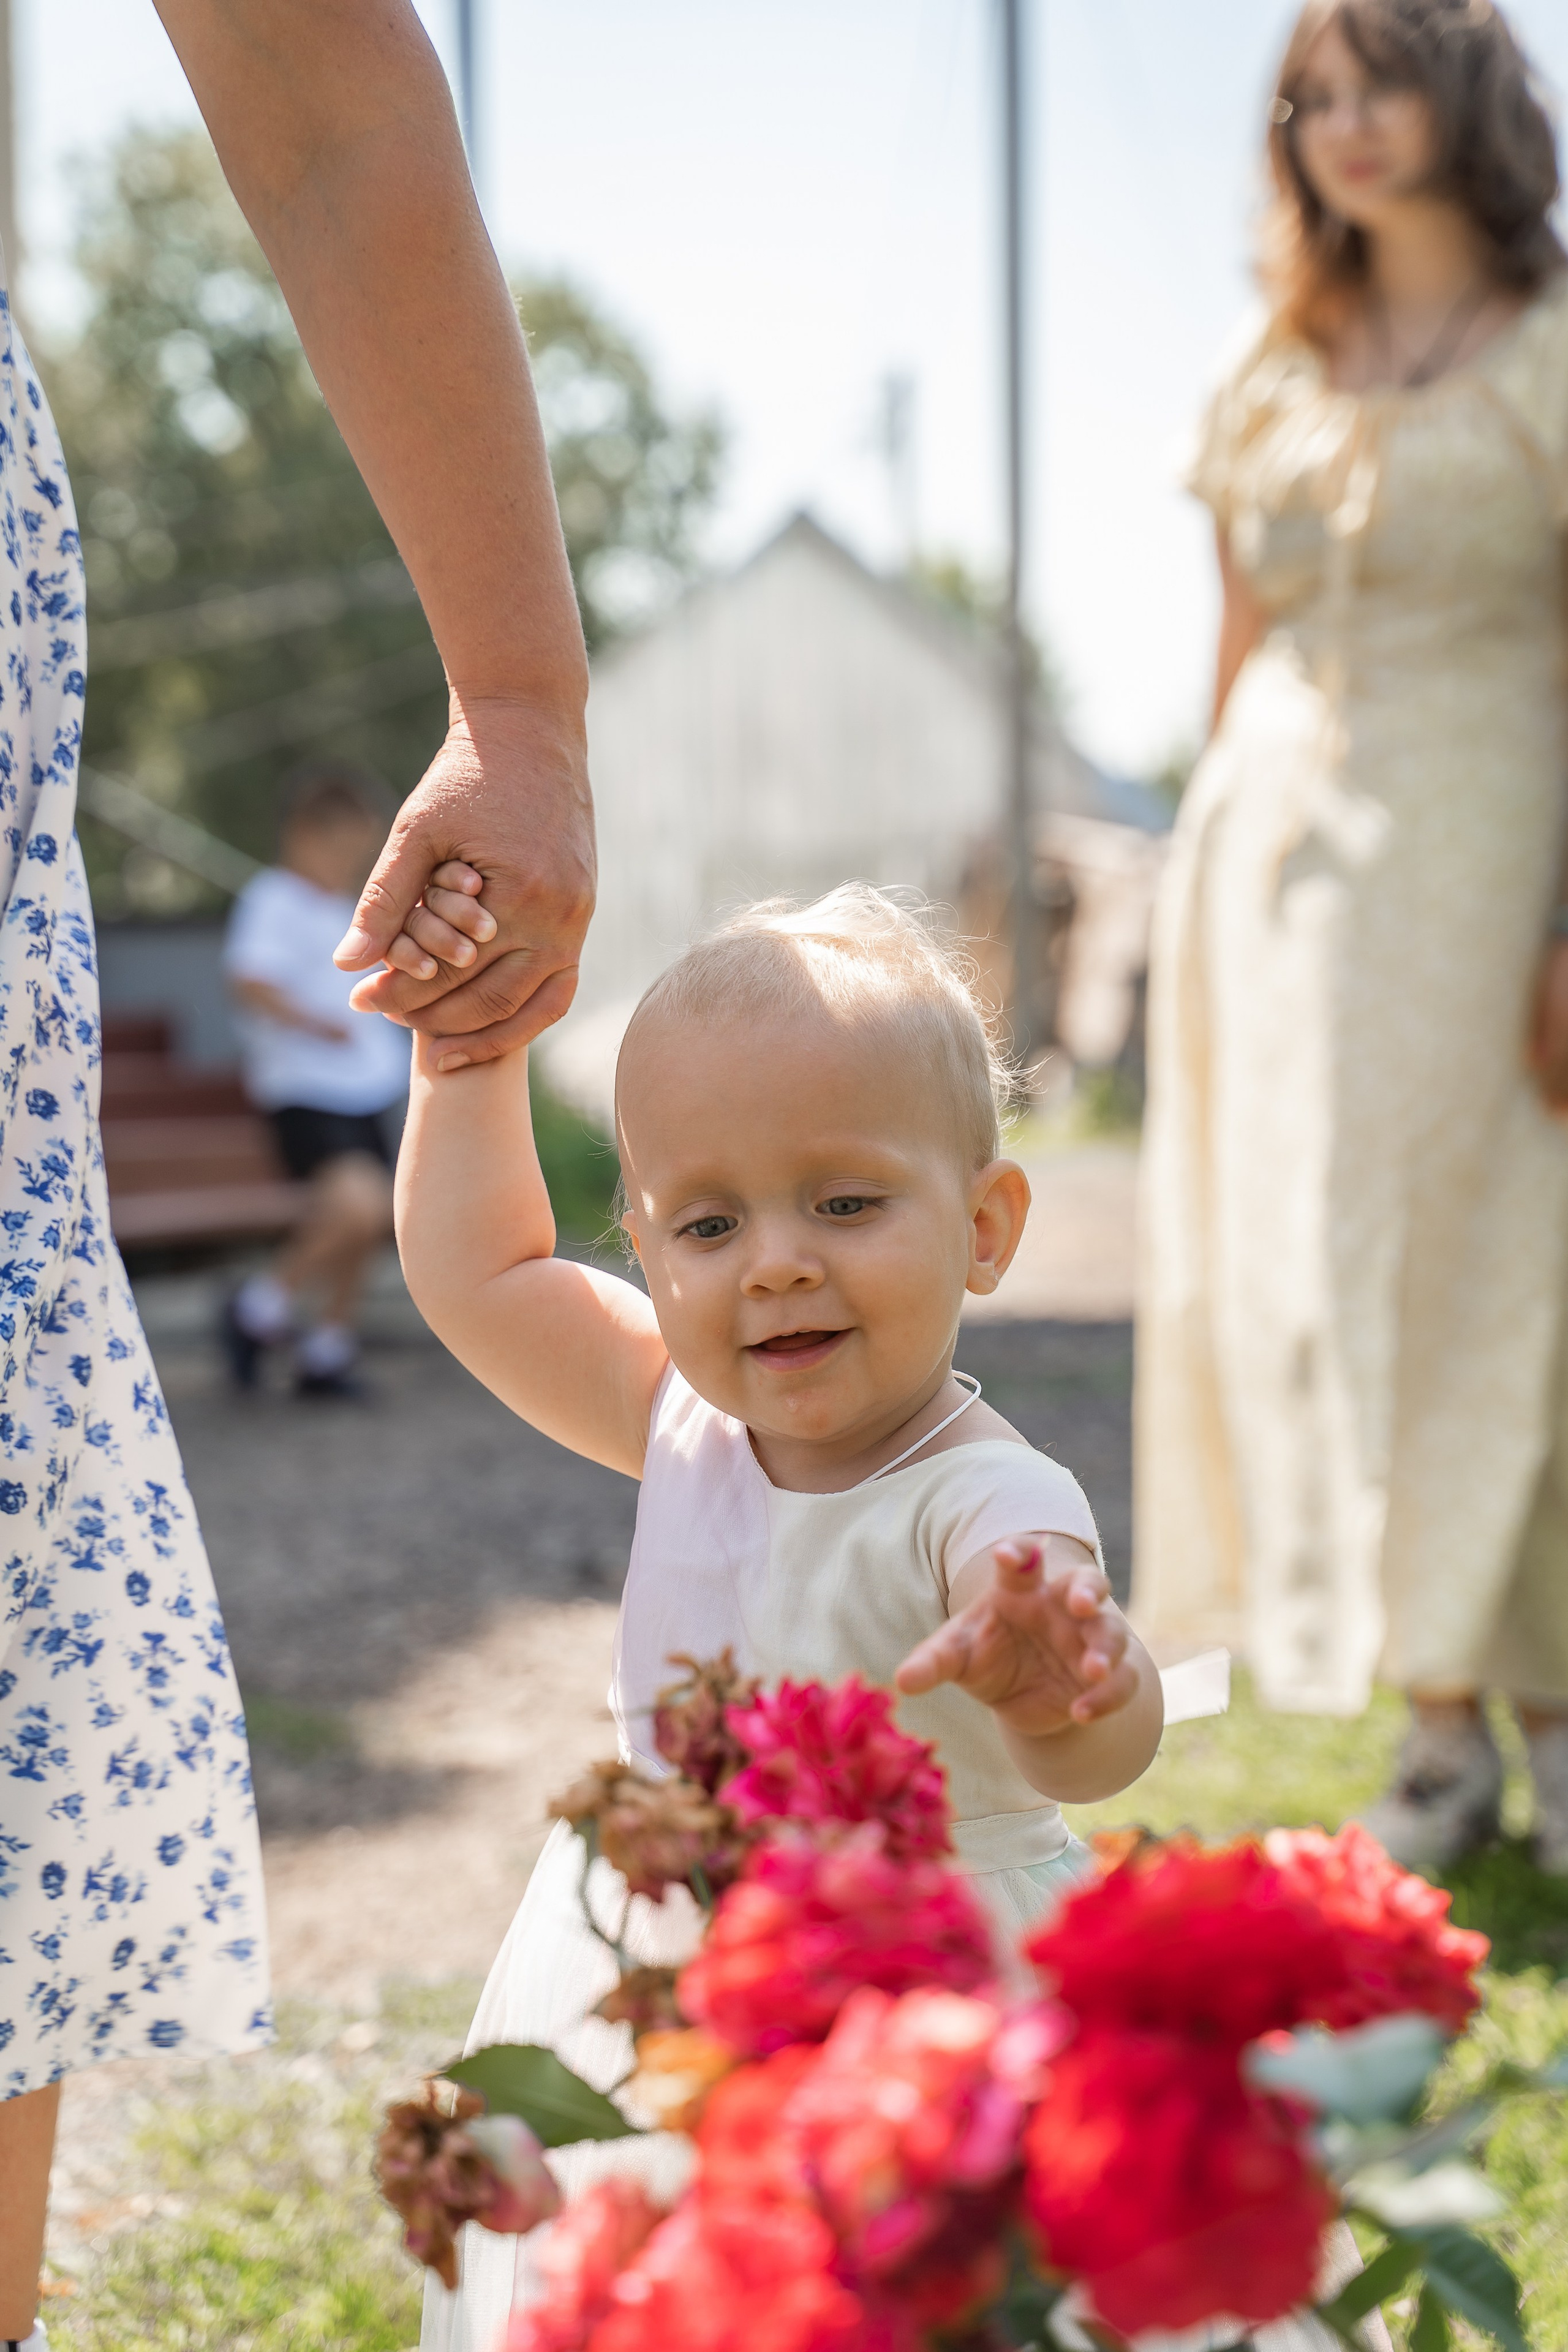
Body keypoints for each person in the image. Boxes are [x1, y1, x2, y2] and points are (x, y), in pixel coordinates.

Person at [0, 0, 594, 2340]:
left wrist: (520, 694)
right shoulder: (266, 915)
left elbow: (320, 80)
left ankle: (286, 1322)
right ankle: (284, 1321)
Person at [398, 884, 1170, 2351]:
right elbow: (479, 1274)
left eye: (844, 1202)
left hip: (921, 2003)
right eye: (708, 1222)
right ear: (646, 1252)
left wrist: (1060, 1683)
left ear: (984, 1225)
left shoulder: (987, 1498)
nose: (774, 1261)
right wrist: (468, 1057)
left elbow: (1095, 1748)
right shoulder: (675, 1413)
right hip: (674, 1965)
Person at [1133, 0, 1568, 1873]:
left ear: (1461, 94)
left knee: (1510, 1261)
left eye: (1380, 79)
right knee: (1322, 1277)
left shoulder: (1554, 352)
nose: (1345, 122)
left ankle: (1555, 1710)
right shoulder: (1270, 363)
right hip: (1272, 871)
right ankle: (1439, 1721)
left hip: (1493, 853)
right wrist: (1189, 882)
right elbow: (1234, 639)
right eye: (1310, 95)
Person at [224, 763, 412, 1398]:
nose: (349, 864)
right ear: (304, 835)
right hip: (306, 1090)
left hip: (362, 1088)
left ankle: (329, 1344)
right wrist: (313, 1025)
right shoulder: (272, 899)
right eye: (341, 849)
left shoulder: (338, 906)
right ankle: (260, 1305)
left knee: (372, 1217)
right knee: (358, 1205)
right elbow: (251, 981)